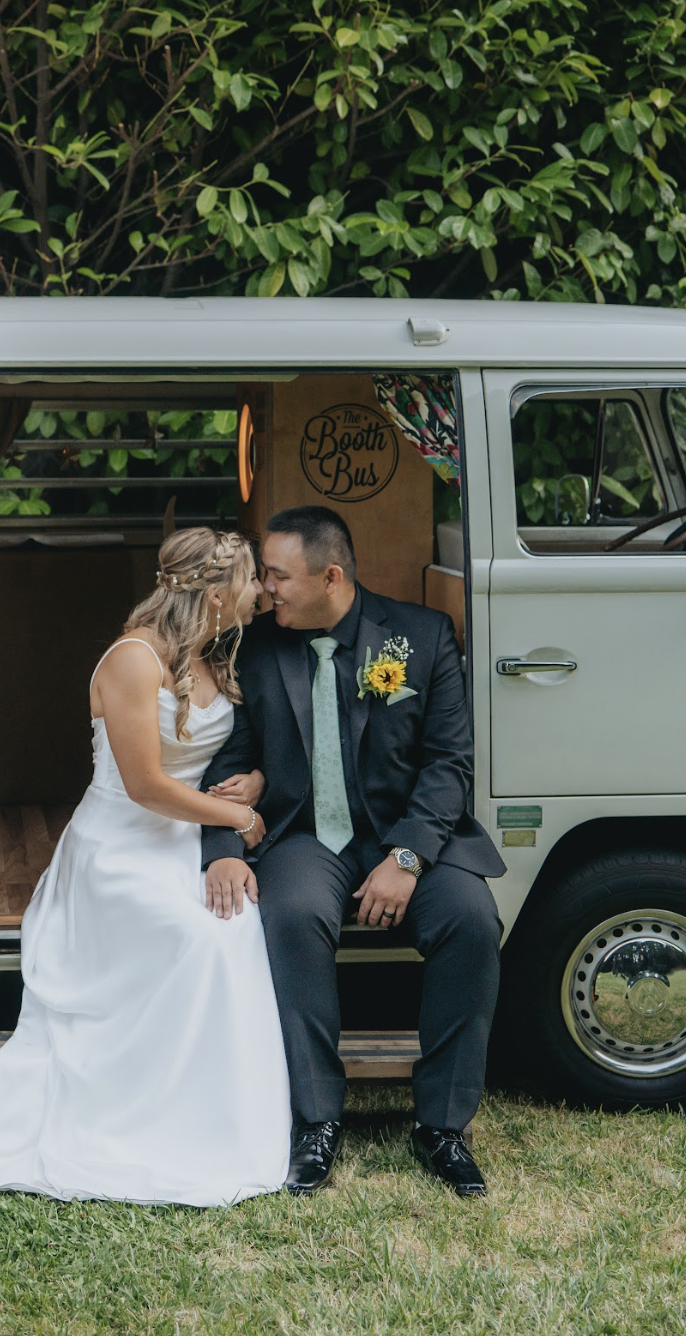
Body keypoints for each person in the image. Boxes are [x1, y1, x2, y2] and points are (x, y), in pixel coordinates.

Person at [0, 528, 290, 1206]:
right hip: (120, 849)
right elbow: (145, 784)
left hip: (183, 842)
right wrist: (233, 817)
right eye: (249, 580)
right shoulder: (133, 660)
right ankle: (139, 1114)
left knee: (234, 932)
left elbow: (226, 754)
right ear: (212, 593)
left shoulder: (213, 655)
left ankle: (206, 1119)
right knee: (195, 938)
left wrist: (254, 782)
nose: (261, 591)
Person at [199, 504, 505, 1198]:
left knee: (471, 921)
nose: (264, 588)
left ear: (330, 576)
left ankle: (442, 1124)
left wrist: (406, 859)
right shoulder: (254, 648)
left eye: (277, 575)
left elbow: (449, 763)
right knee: (292, 916)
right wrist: (223, 845)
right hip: (304, 835)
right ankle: (315, 1120)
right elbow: (228, 760)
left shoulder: (422, 637)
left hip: (409, 837)